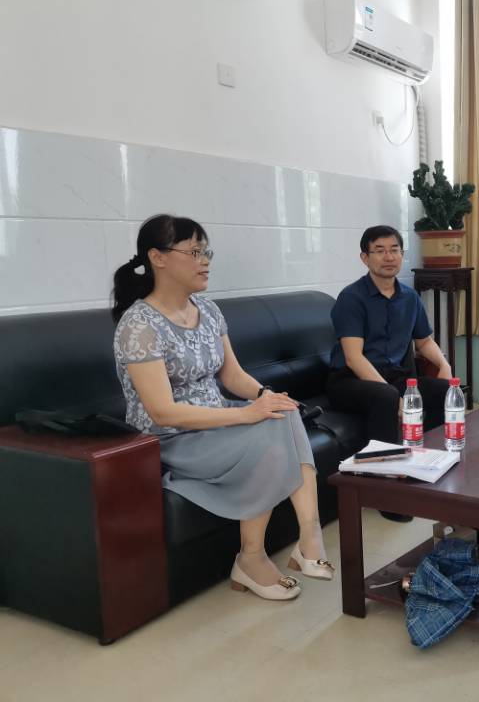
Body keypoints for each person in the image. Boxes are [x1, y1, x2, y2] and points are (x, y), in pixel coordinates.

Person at [111, 214, 333, 602]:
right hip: (173, 438)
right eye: (194, 252)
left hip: (218, 423)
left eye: (206, 252)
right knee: (267, 427)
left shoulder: (208, 311)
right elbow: (162, 412)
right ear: (158, 258)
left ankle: (309, 535)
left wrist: (265, 395)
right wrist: (246, 414)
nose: (205, 261)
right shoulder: (139, 325)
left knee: (282, 411)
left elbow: (232, 376)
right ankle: (252, 558)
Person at [326, 225, 452, 520]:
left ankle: (427, 471)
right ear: (365, 257)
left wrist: (444, 366)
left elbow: (424, 341)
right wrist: (396, 397)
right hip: (348, 380)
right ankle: (386, 495)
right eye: (379, 251)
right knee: (385, 396)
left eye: (394, 250)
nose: (389, 257)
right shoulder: (351, 298)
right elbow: (354, 358)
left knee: (441, 390)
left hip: (392, 378)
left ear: (402, 255)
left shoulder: (409, 297)